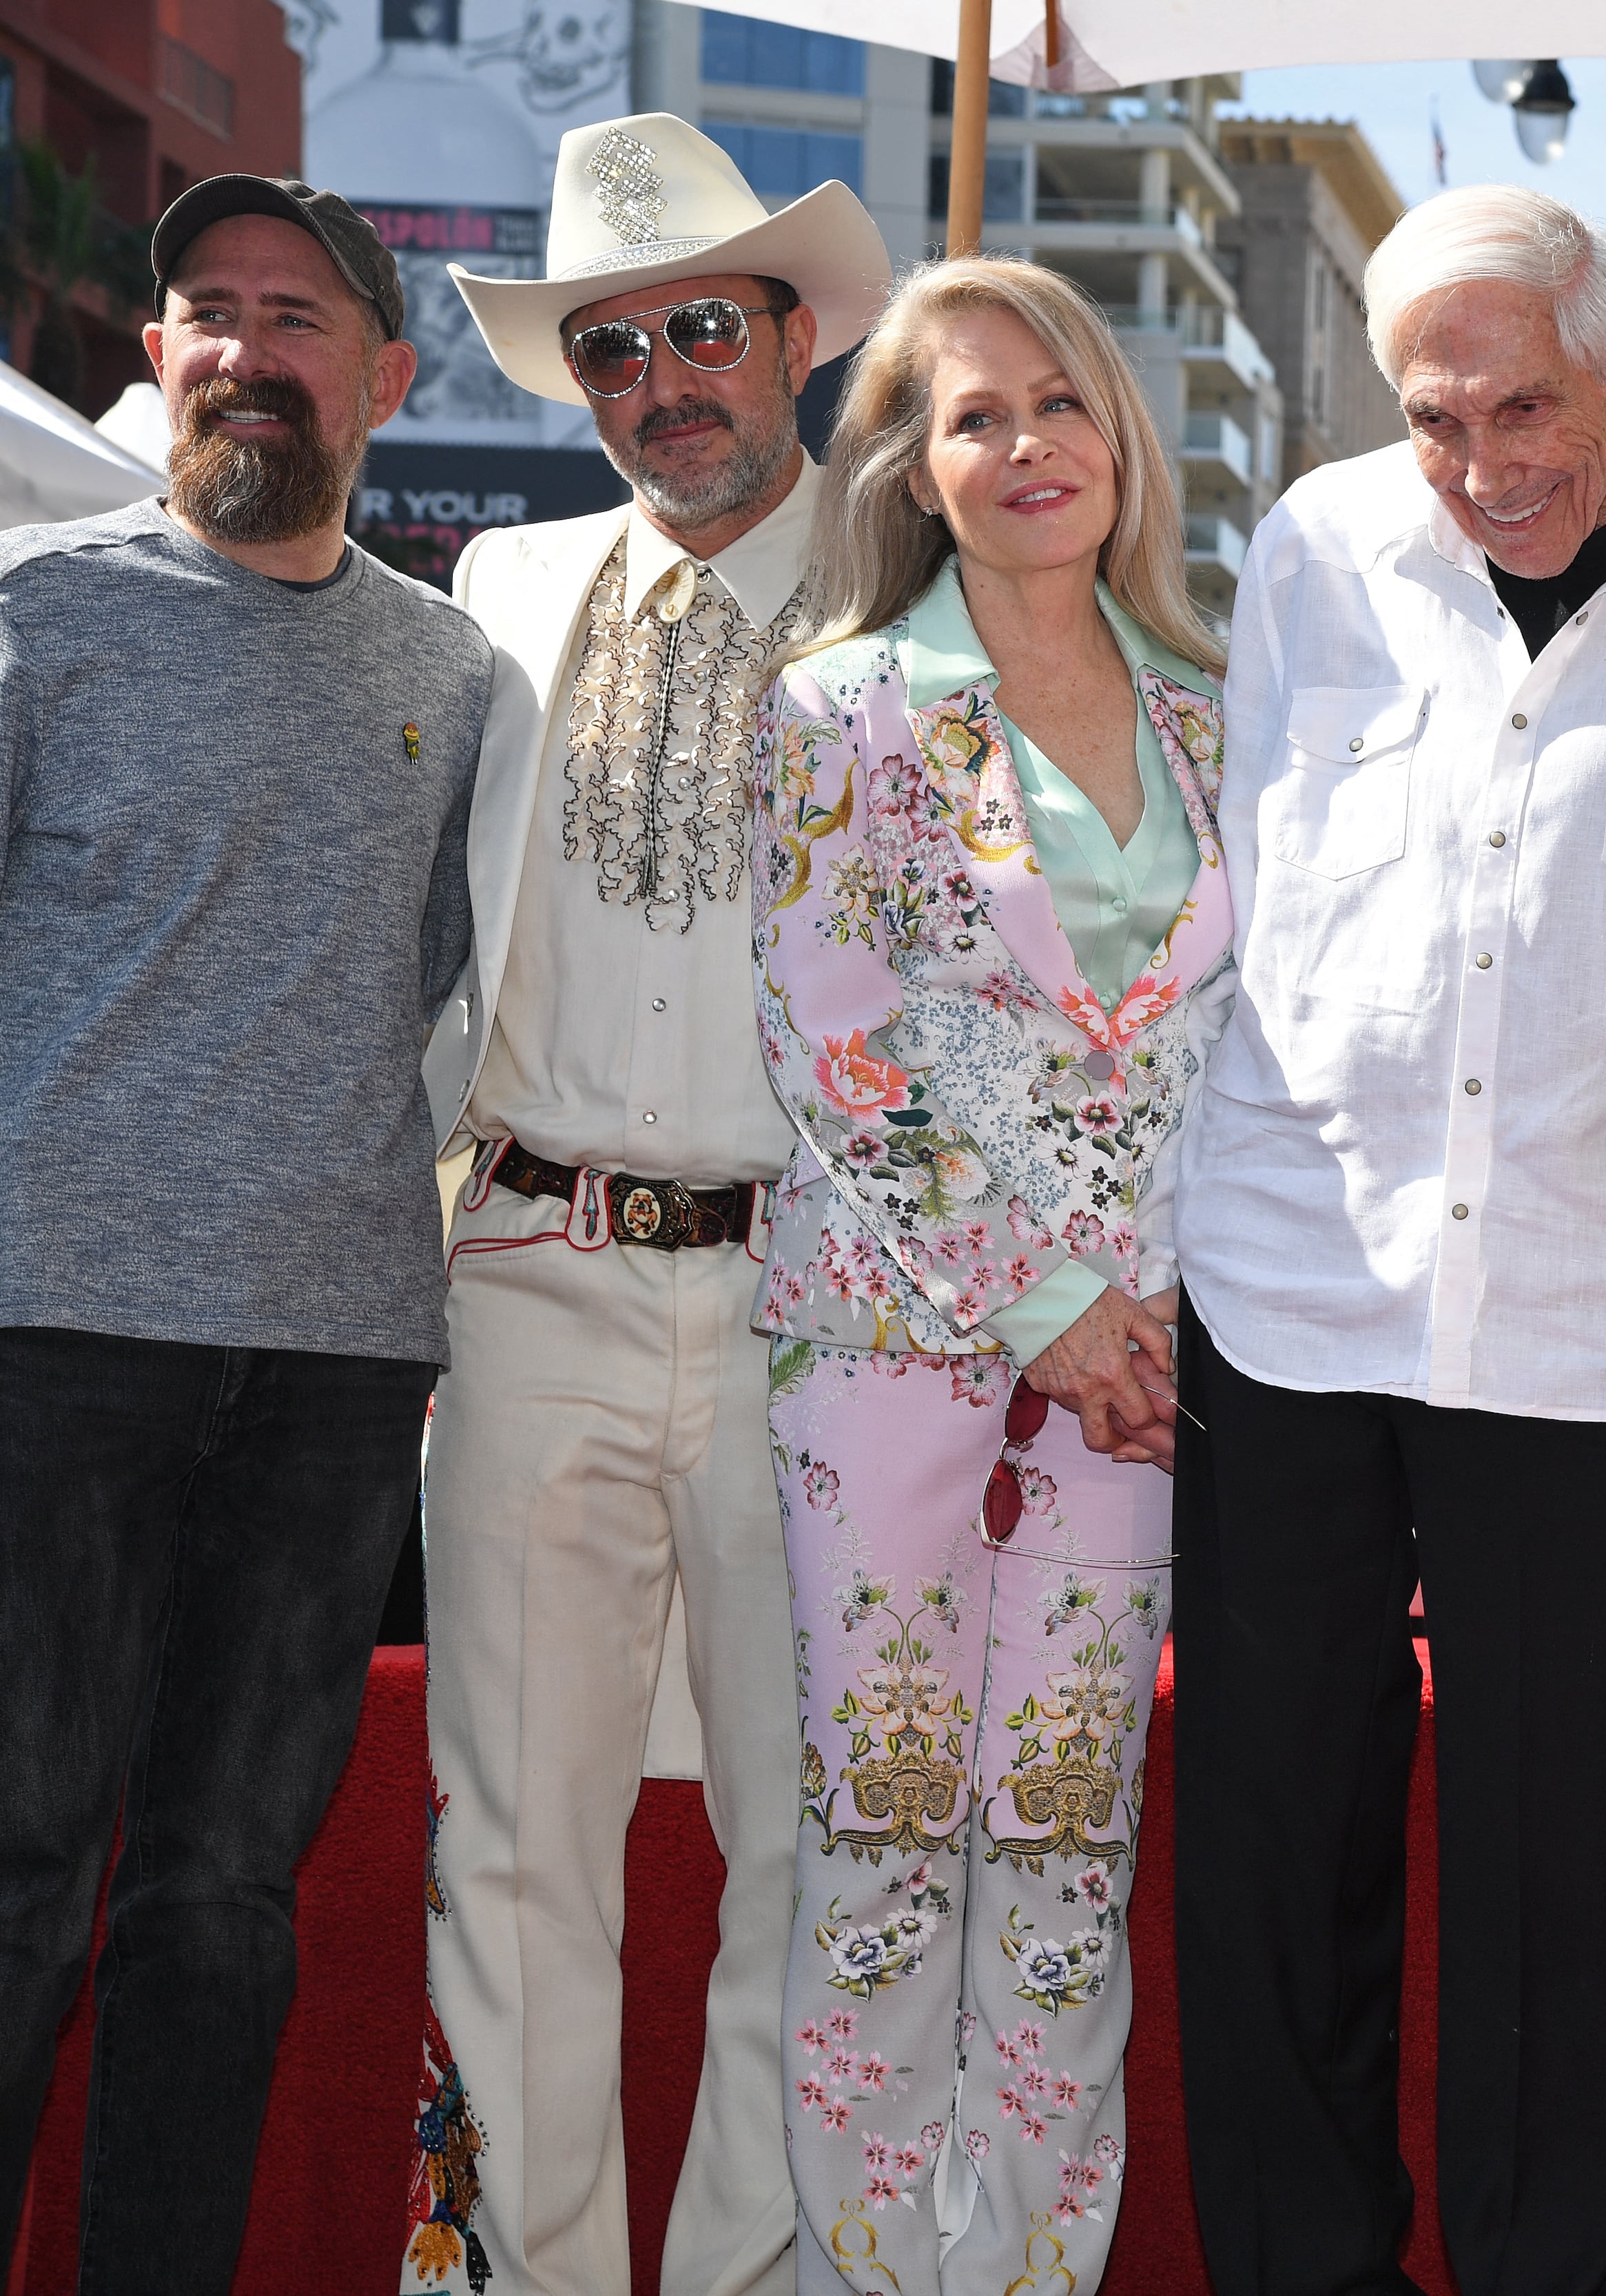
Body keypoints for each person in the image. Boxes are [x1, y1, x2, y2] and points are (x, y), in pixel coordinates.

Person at [1169, 183, 1606, 2296]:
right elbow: (1243, 917)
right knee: (1273, 1844)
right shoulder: (1312, 548)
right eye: (1434, 418)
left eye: (1526, 405)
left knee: (1545, 1867)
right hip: (1288, 1289)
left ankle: (1532, 2265)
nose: (1483, 464)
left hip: (1593, 1318)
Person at [400, 114, 892, 2296]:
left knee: (808, 1848)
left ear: (794, 332)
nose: (663, 379)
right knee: (509, 1842)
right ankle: (512, 2274)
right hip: (527, 1271)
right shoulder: (494, 595)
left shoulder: (918, 606)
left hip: (813, 1298)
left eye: (704, 324)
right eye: (611, 348)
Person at [0, 177, 501, 2288]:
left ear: (386, 379)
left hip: (329, 1371)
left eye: (295, 314)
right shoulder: (36, 614)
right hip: (50, 1344)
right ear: (156, 355)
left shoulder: (461, 679)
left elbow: (447, 994)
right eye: (205, 308)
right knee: (16, 1874)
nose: (243, 348)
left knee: (220, 1897)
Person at [750, 256, 1237, 2290]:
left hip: (1144, 1387)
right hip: (891, 1354)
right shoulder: (842, 712)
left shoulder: (1222, 719)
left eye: (1061, 404)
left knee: (1058, 1861)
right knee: (881, 1858)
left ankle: (1032, 2273)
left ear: (1122, 438)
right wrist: (1052, 1304)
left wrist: (1151, 1320)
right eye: (973, 416)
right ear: (914, 470)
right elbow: (842, 1032)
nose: (1027, 444)